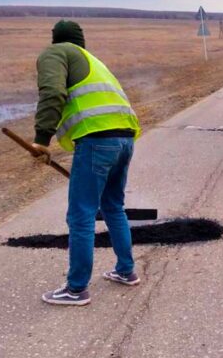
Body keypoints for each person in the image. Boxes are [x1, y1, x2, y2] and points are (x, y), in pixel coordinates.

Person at [31, 20, 142, 306]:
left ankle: (76, 288)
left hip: (97, 142)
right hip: (125, 139)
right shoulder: (94, 62)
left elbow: (53, 92)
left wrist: (42, 139)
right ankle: (126, 270)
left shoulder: (55, 53)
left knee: (81, 214)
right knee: (113, 207)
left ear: (56, 39)